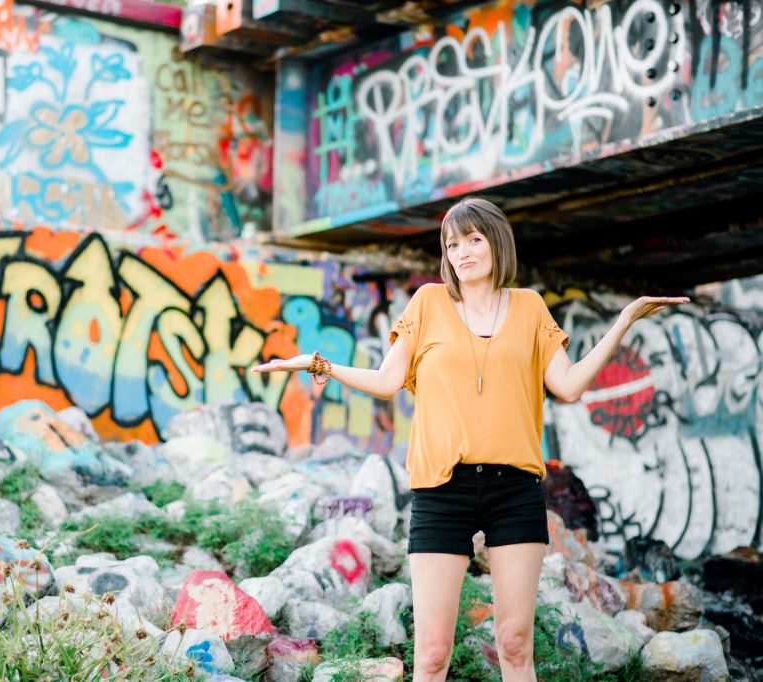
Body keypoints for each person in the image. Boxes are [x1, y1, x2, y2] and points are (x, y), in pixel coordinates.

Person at [252, 196, 688, 681]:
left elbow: (567, 385)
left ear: (497, 242)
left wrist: (623, 321)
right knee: (434, 652)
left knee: (516, 644)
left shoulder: (529, 307)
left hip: (514, 490)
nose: (462, 252)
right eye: (452, 243)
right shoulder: (428, 303)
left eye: (474, 240)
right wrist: (318, 364)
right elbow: (386, 378)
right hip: (442, 490)